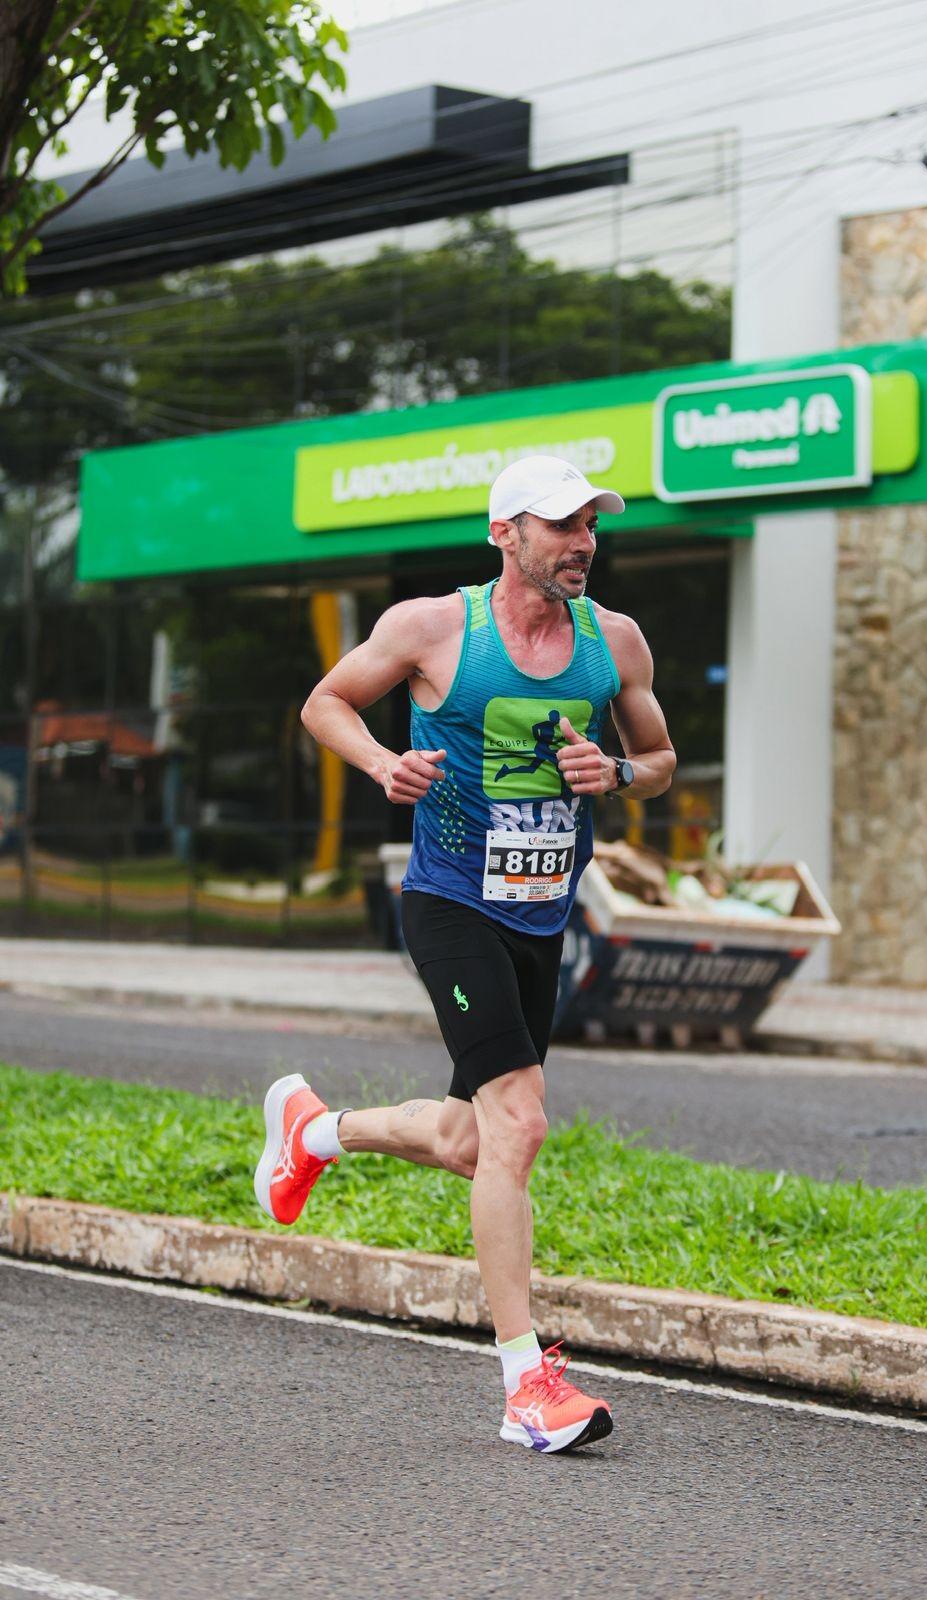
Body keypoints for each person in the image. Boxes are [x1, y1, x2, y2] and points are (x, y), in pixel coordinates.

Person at [254, 454, 675, 1453]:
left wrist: (616, 772)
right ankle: (526, 1384)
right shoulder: (434, 627)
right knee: (518, 1124)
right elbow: (324, 702)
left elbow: (662, 762)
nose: (582, 542)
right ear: (505, 533)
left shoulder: (613, 641)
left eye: (591, 524)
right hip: (450, 904)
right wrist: (382, 762)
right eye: (561, 524)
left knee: (466, 1140)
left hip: (541, 917)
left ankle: (314, 1131)